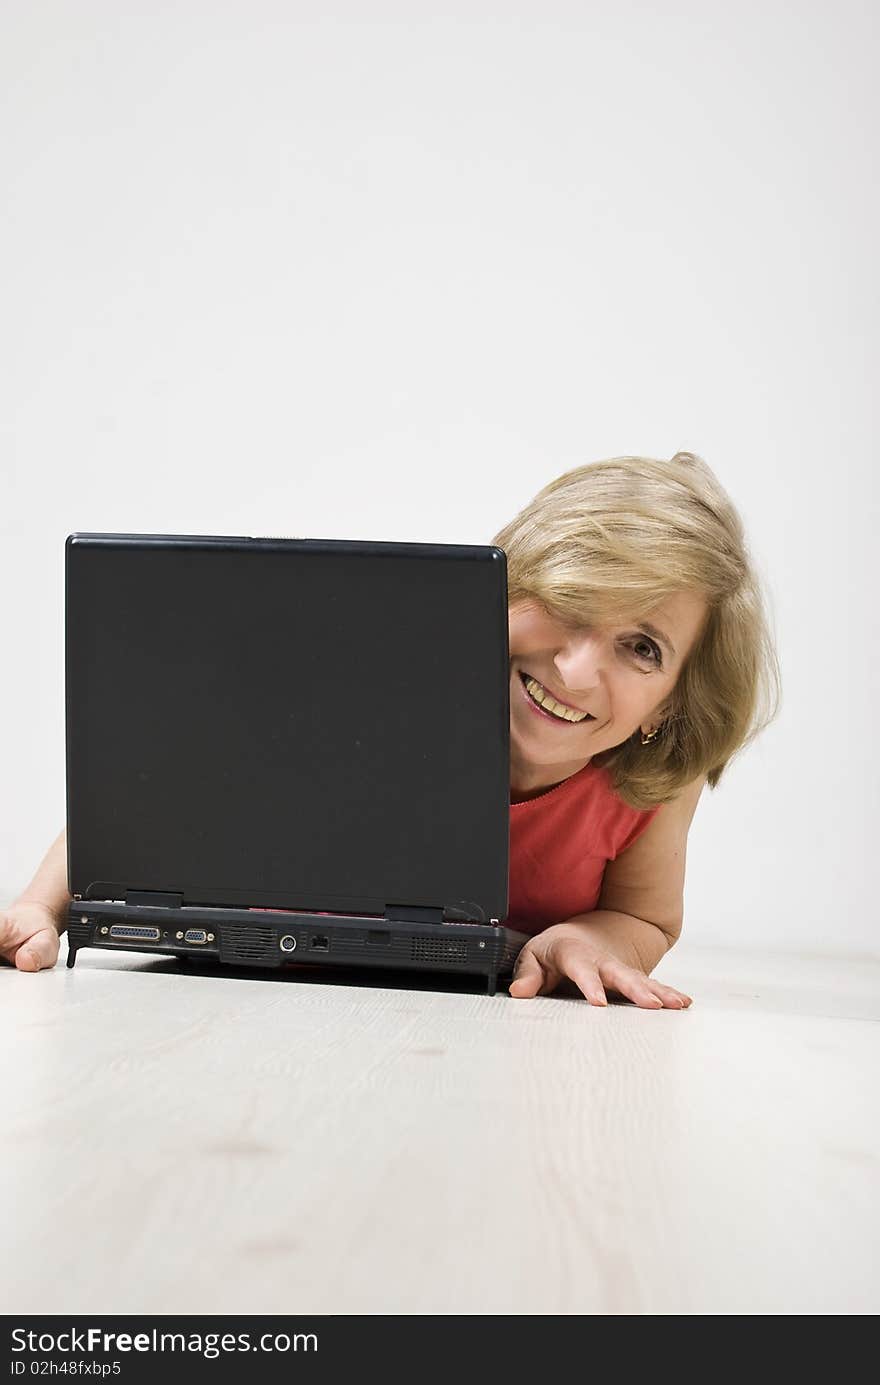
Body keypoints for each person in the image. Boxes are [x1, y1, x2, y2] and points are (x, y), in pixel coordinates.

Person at [1, 451, 780, 1007]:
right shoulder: (375, 684)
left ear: (673, 703)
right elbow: (150, 813)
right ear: (503, 585)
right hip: (240, 985)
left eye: (641, 647)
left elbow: (643, 917)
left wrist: (598, 940)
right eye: (569, 602)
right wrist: (42, 905)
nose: (576, 670)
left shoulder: (647, 783)